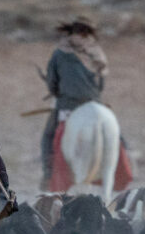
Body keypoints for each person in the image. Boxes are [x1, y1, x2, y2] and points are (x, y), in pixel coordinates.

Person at [40, 14, 108, 190]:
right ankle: (126, 158)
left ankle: (48, 176)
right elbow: (101, 84)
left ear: (71, 30)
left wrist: (57, 93)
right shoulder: (96, 52)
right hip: (94, 102)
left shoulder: (60, 52)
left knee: (48, 136)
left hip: (68, 104)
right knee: (113, 131)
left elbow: (52, 82)